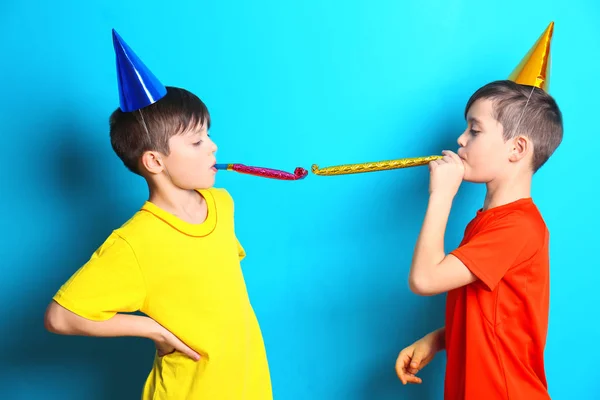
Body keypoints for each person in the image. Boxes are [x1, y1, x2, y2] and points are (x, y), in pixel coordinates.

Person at [43, 29, 272, 399]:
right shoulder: (135, 243)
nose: (212, 146)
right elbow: (60, 317)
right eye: (197, 141)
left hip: (248, 381)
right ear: (154, 161)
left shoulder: (222, 205)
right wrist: (154, 330)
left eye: (208, 135)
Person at [395, 23, 562, 399]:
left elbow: (424, 280)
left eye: (475, 130)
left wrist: (441, 195)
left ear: (517, 149)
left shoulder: (517, 228)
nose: (460, 140)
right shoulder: (490, 223)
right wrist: (438, 340)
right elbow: (493, 315)